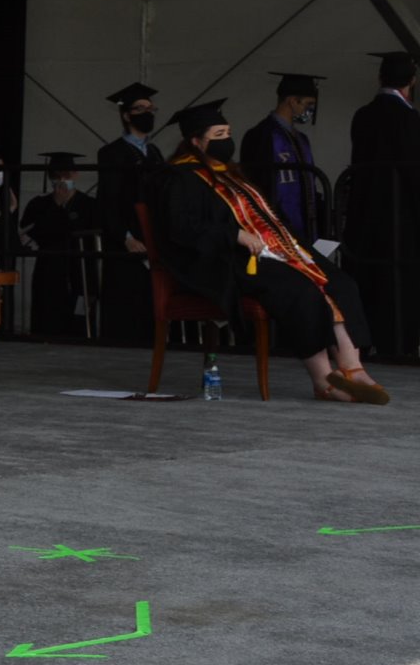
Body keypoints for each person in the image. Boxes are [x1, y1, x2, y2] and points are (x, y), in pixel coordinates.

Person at [150, 100, 388, 403]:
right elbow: (181, 228)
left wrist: (292, 243)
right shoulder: (179, 178)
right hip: (224, 259)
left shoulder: (232, 174)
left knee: (340, 283)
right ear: (196, 141)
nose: (227, 140)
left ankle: (353, 369)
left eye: (228, 132)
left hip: (271, 252)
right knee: (301, 290)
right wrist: (234, 234)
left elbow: (268, 216)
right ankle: (323, 380)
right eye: (218, 134)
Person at [343, 51, 420, 360]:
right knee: (401, 281)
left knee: (369, 277)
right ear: (412, 81)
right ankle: (399, 344)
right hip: (402, 214)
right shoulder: (410, 118)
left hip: (366, 210)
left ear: (380, 77)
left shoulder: (363, 114)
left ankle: (366, 340)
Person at [96, 82, 162, 343]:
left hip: (151, 234)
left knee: (149, 297)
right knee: (126, 295)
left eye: (150, 108)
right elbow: (108, 200)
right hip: (127, 237)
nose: (147, 112)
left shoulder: (154, 152)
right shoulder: (112, 153)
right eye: (140, 108)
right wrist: (125, 236)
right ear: (126, 115)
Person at [241, 72, 324, 240]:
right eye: (308, 104)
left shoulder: (301, 139)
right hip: (273, 227)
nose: (310, 110)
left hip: (304, 226)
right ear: (292, 101)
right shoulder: (261, 135)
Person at [19, 152, 95, 336]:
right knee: (47, 323)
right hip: (49, 271)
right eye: (56, 176)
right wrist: (57, 205)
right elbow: (30, 233)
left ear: (75, 175)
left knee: (77, 325)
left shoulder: (88, 204)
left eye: (66, 175)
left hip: (79, 270)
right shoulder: (39, 204)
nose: (61, 180)